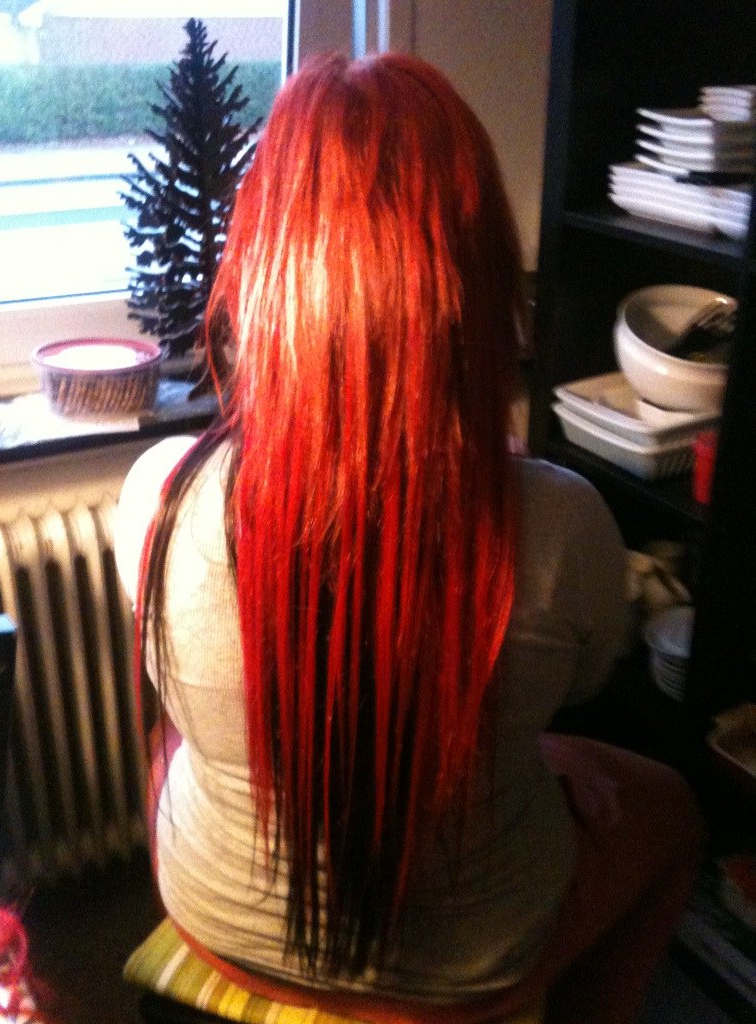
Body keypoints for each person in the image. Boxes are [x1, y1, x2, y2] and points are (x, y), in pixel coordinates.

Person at [114, 52, 706, 1024]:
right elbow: (581, 687)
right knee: (672, 808)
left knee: (167, 737)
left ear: (265, 273)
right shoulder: (563, 521)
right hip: (466, 965)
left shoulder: (159, 493)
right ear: (474, 279)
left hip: (213, 917)